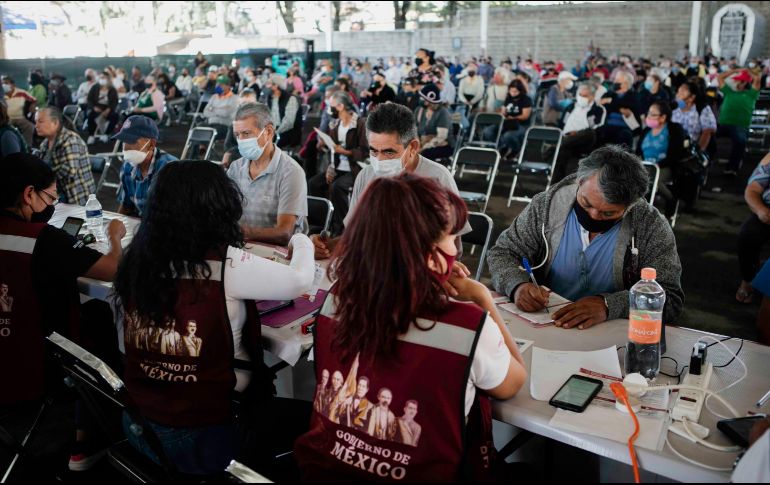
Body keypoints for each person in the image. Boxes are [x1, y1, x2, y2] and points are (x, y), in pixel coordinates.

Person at [294, 174, 527, 482]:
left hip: (326, 469)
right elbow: (513, 383)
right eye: (450, 237)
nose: (455, 248)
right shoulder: (467, 326)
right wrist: (483, 299)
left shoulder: (336, 299)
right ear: (429, 256)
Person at [114, 160, 315, 475]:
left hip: (139, 424)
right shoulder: (226, 264)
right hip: (206, 434)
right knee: (315, 421)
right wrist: (302, 240)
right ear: (220, 207)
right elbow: (300, 280)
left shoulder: (137, 258)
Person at [0, 153, 126, 470]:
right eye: (50, 197)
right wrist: (115, 237)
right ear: (28, 194)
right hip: (40, 361)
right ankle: (87, 437)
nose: (52, 205)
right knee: (101, 315)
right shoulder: (43, 240)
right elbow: (114, 268)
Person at [488, 145, 684, 332]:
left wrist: (608, 305)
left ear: (630, 205)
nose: (594, 216)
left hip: (611, 337)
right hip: (545, 321)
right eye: (586, 203)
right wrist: (517, 285)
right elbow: (504, 253)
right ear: (579, 182)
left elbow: (669, 299)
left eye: (608, 213)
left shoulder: (650, 226)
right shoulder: (546, 206)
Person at [310, 102, 471, 260]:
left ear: (413, 147)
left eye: (389, 152)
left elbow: (454, 249)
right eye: (374, 151)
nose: (379, 160)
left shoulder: (437, 178)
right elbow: (354, 236)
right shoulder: (366, 175)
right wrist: (323, 247)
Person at [227, 103, 307, 245]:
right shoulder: (235, 168)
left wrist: (237, 233)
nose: (241, 141)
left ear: (268, 131)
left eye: (246, 133)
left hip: (275, 251)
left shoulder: (290, 172)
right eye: (237, 135)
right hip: (241, 246)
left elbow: (284, 233)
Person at [308, 92, 366, 235]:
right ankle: (322, 223)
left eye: (331, 106)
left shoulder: (360, 123)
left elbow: (365, 150)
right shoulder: (335, 124)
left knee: (337, 187)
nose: (329, 109)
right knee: (314, 184)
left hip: (354, 169)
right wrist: (330, 166)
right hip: (337, 166)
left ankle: (340, 229)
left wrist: (346, 152)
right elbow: (332, 151)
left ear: (340, 106)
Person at [113, 115, 178, 218]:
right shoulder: (127, 167)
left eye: (132, 141)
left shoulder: (169, 169)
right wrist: (117, 221)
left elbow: (175, 215)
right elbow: (126, 205)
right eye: (124, 141)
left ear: (151, 144)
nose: (126, 147)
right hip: (143, 221)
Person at [636, 101, 689, 218]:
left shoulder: (674, 130)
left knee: (651, 179)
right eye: (648, 113)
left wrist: (656, 165)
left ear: (663, 117)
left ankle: (671, 200)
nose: (648, 117)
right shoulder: (646, 130)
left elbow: (674, 156)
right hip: (645, 165)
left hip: (665, 166)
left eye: (652, 114)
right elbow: (638, 152)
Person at [35, 107, 95, 206]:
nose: (36, 125)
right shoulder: (45, 144)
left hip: (73, 197)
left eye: (40, 122)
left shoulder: (70, 140)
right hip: (56, 193)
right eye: (36, 122)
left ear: (55, 123)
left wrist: (42, 178)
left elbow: (69, 171)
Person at [551, 82, 605, 183]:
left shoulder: (598, 110)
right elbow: (561, 124)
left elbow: (598, 129)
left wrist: (577, 134)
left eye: (585, 95)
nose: (581, 97)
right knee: (563, 151)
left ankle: (555, 147)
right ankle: (555, 185)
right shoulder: (571, 107)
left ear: (592, 96)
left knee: (590, 133)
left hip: (585, 140)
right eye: (580, 95)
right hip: (567, 139)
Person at [736, 152, 770, 305]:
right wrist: (761, 210)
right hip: (767, 209)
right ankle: (748, 280)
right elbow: (753, 189)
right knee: (748, 235)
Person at [717, 69, 760, 175]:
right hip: (723, 124)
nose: (735, 82)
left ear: (744, 83)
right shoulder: (729, 91)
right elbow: (720, 77)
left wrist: (747, 71)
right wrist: (735, 70)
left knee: (739, 144)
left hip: (740, 125)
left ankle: (732, 168)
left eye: (738, 80)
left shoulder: (751, 94)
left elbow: (757, 78)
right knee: (707, 135)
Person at [671, 80, 717, 152]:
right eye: (678, 92)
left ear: (692, 97)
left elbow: (707, 131)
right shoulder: (673, 108)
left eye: (682, 92)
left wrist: (698, 151)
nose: (678, 96)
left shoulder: (702, 109)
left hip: (691, 149)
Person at [492, 79, 533, 157]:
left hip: (521, 125)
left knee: (508, 135)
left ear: (520, 91)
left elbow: (525, 116)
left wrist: (513, 118)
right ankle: (502, 147)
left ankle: (516, 149)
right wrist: (502, 113)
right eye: (511, 91)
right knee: (489, 131)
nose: (513, 93)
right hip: (507, 123)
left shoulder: (526, 100)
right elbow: (503, 111)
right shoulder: (508, 98)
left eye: (515, 92)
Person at [599, 71, 640, 148]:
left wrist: (610, 101)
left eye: (617, 80)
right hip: (607, 124)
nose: (614, 82)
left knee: (624, 136)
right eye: (615, 79)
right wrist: (619, 107)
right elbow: (601, 104)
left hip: (625, 127)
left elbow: (629, 109)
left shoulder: (634, 96)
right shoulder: (610, 94)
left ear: (626, 84)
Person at [415, 83, 454, 161]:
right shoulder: (419, 110)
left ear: (429, 100)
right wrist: (417, 143)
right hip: (422, 142)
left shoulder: (442, 112)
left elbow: (441, 137)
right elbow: (414, 129)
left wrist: (423, 148)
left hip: (441, 144)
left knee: (425, 154)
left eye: (423, 98)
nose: (420, 99)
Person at [263, 74, 302, 149]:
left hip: (287, 132)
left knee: (264, 142)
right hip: (273, 129)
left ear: (276, 86)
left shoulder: (291, 99)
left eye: (269, 84)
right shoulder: (270, 98)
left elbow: (288, 123)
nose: (266, 86)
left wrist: (275, 132)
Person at [222, 89, 258, 168]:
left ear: (255, 103)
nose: (247, 106)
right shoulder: (236, 119)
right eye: (244, 103)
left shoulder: (259, 118)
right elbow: (227, 145)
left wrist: (230, 152)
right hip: (238, 150)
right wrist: (229, 152)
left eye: (250, 103)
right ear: (239, 103)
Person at [201, 75, 239, 141]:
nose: (218, 86)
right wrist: (220, 109)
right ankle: (201, 147)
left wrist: (212, 109)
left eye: (221, 85)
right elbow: (205, 112)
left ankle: (203, 146)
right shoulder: (214, 97)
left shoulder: (234, 98)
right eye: (217, 84)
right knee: (198, 129)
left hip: (224, 125)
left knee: (208, 133)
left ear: (228, 86)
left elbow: (225, 113)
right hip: (210, 123)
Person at [86, 71, 119, 144]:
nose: (102, 79)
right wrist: (94, 107)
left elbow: (115, 101)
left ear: (108, 79)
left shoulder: (112, 89)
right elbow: (89, 99)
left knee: (114, 116)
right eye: (101, 78)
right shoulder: (95, 87)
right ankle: (91, 135)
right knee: (91, 115)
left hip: (108, 108)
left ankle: (106, 134)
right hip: (96, 107)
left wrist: (109, 109)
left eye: (104, 78)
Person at [3, 76, 36, 145]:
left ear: (13, 85)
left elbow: (33, 100)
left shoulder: (21, 92)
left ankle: (27, 146)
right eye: (3, 83)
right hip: (7, 119)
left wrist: (32, 106)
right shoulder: (1, 94)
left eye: (6, 83)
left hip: (20, 118)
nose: (4, 85)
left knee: (30, 127)